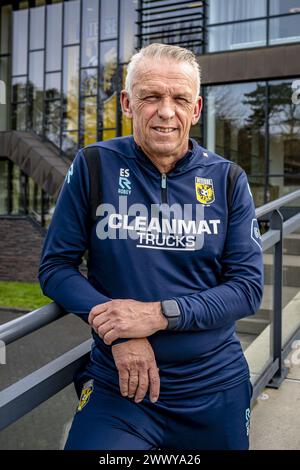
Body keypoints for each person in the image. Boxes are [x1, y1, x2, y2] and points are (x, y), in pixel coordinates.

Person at [38, 43, 263, 450]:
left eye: (179, 99)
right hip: (121, 390)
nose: (165, 111)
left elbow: (247, 288)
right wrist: (119, 332)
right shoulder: (93, 165)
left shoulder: (228, 179)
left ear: (195, 110)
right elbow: (55, 267)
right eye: (151, 96)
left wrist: (160, 315)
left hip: (213, 388)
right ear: (127, 102)